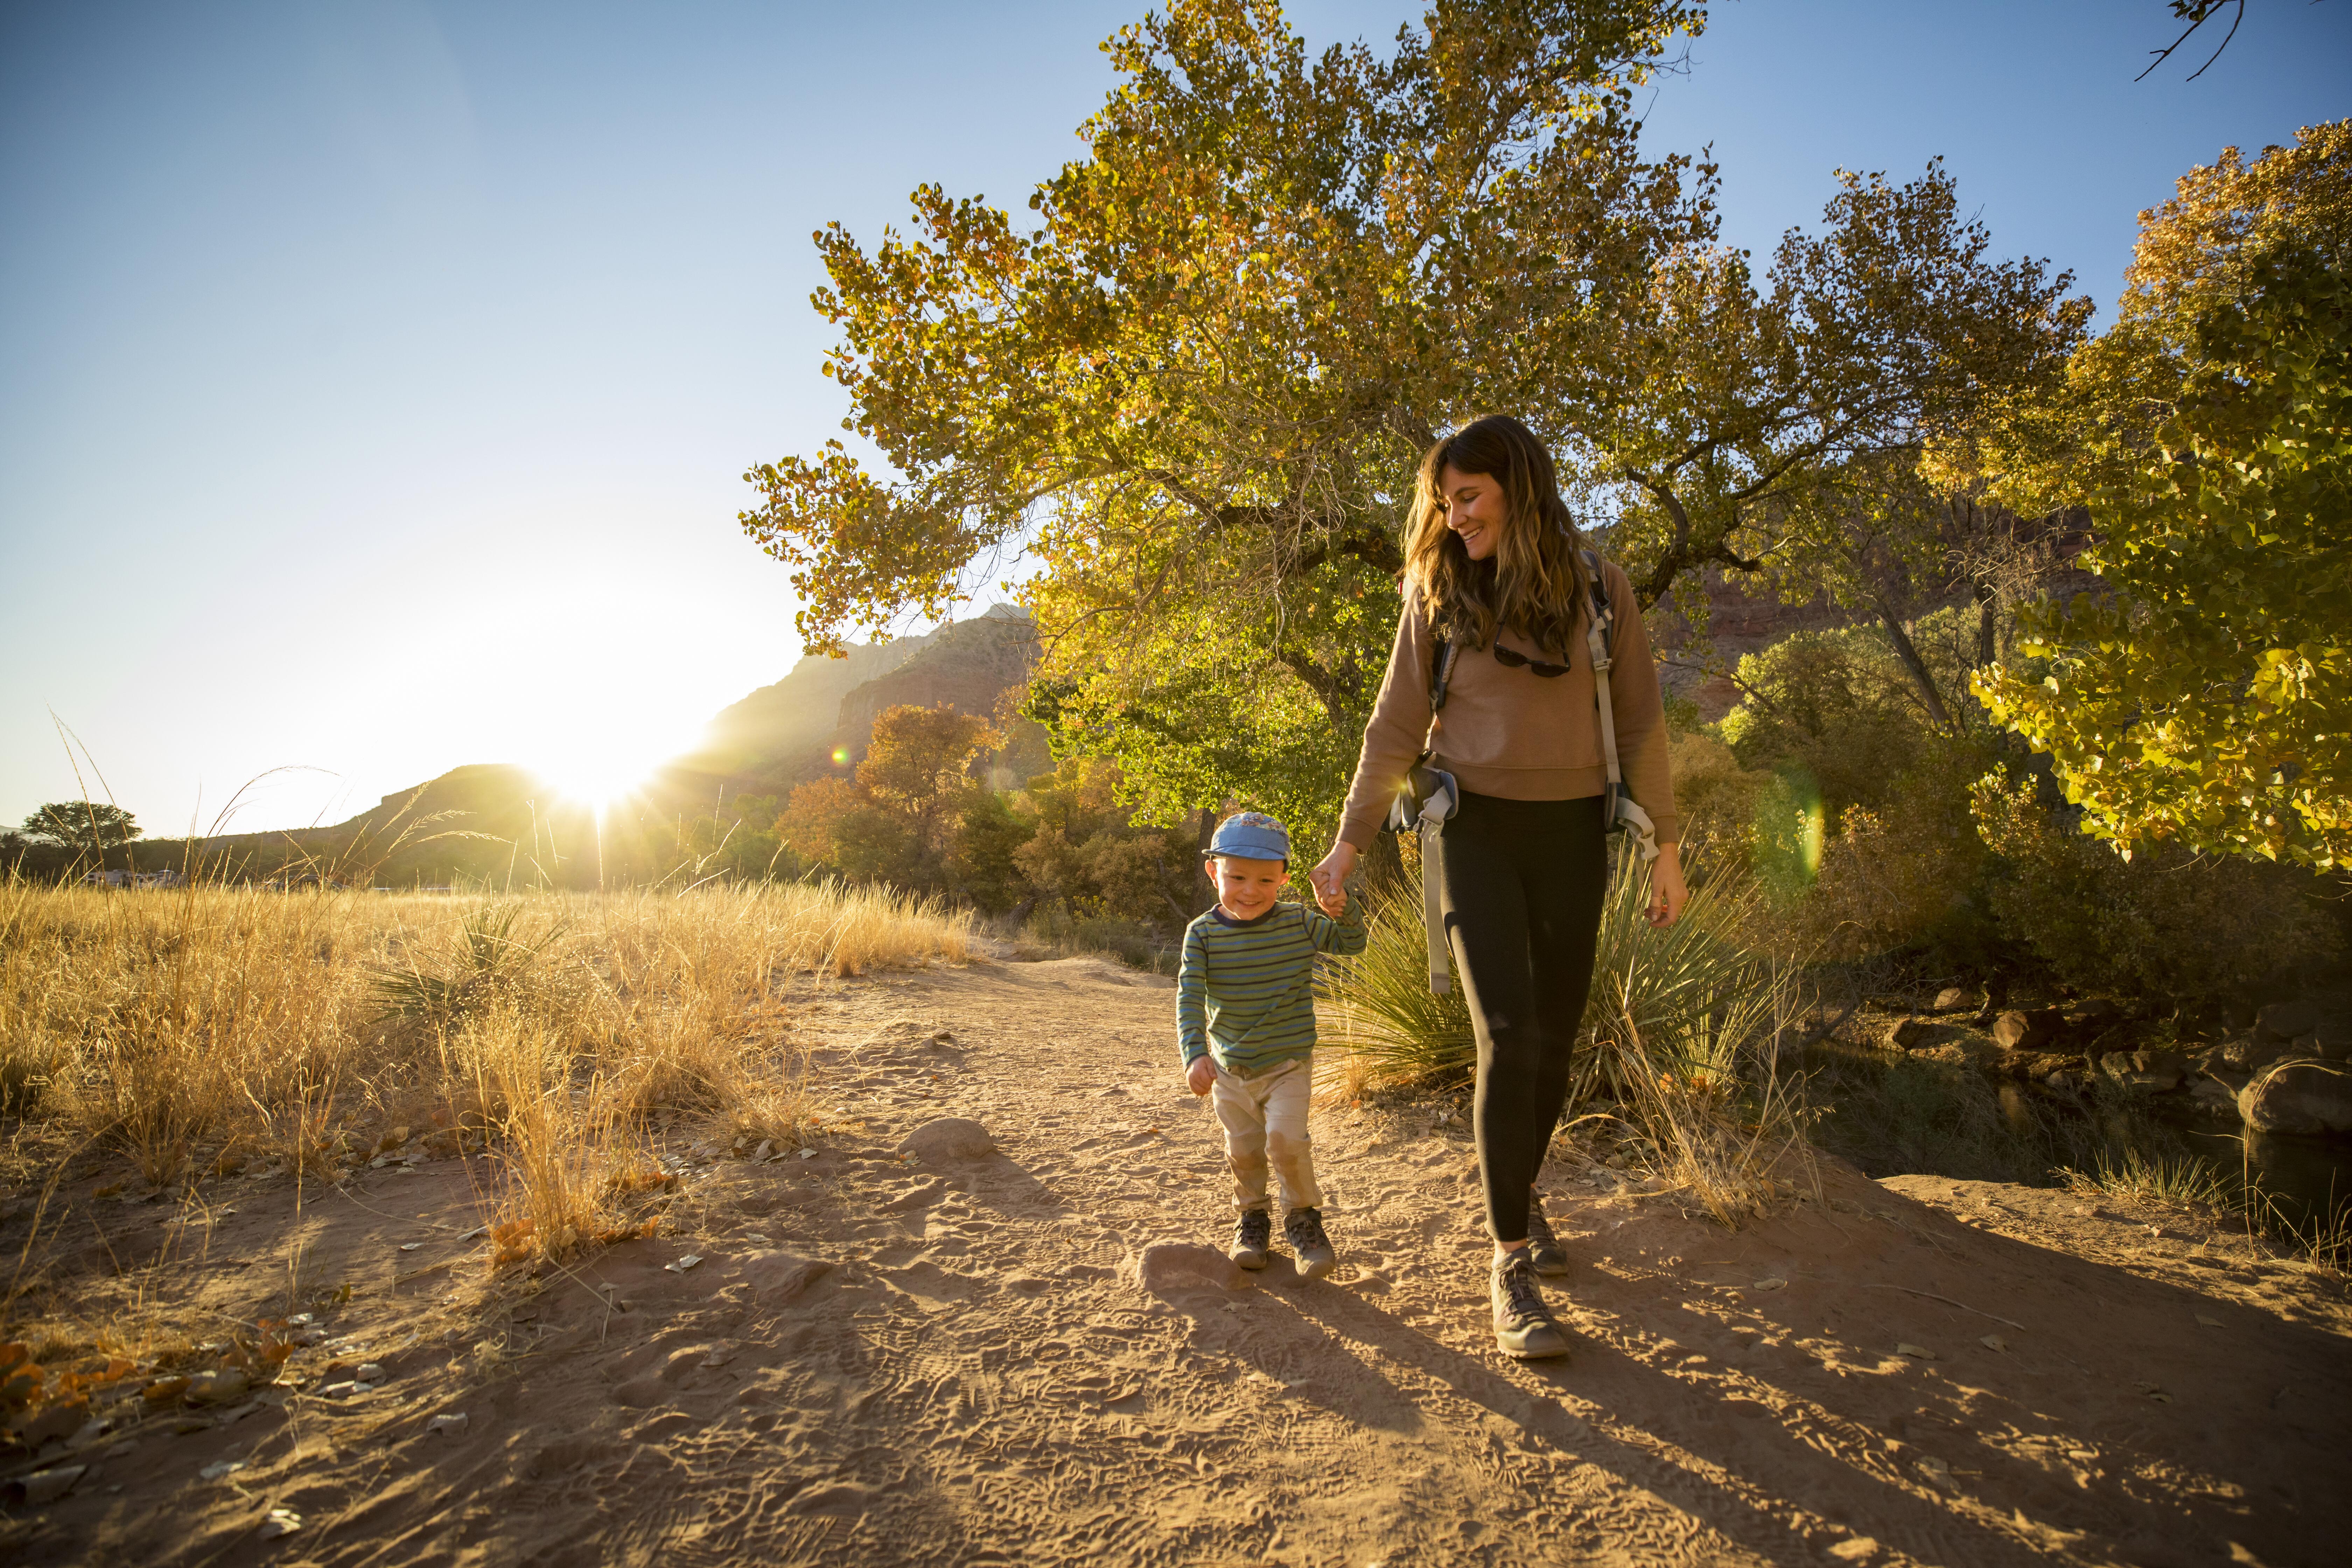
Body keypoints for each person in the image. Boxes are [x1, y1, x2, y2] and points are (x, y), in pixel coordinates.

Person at [1310, 415, 1686, 1360]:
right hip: (1472, 827)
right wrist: (1347, 846)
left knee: (1555, 1042)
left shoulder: (1602, 591)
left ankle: (1521, 1186)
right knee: (1507, 1034)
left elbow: (1641, 725)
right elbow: (1395, 727)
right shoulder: (1434, 592)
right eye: (1444, 499)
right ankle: (1509, 1262)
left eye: (1468, 496)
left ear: (1517, 487)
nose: (1452, 513)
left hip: (1574, 833)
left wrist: (1668, 845)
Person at [1177, 811, 1368, 1278]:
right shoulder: (1202, 934)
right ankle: (1252, 1219)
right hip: (1229, 1070)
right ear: (1213, 871)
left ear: (1283, 877)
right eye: (1237, 877)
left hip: (1287, 1065)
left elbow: (1352, 942)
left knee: (1286, 1142)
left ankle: (1304, 1220)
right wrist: (1195, 1053)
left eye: (1266, 879)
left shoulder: (1299, 922)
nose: (1250, 890)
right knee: (1243, 1150)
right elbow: (1190, 997)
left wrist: (1340, 905)